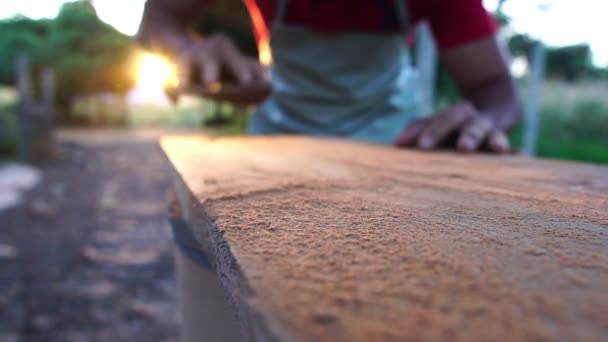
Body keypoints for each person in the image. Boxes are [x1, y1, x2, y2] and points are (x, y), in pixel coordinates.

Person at [137, 1, 520, 341]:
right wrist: (191, 49)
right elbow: (157, 17)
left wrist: (483, 116)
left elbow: (496, 87)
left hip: (392, 146)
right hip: (277, 148)